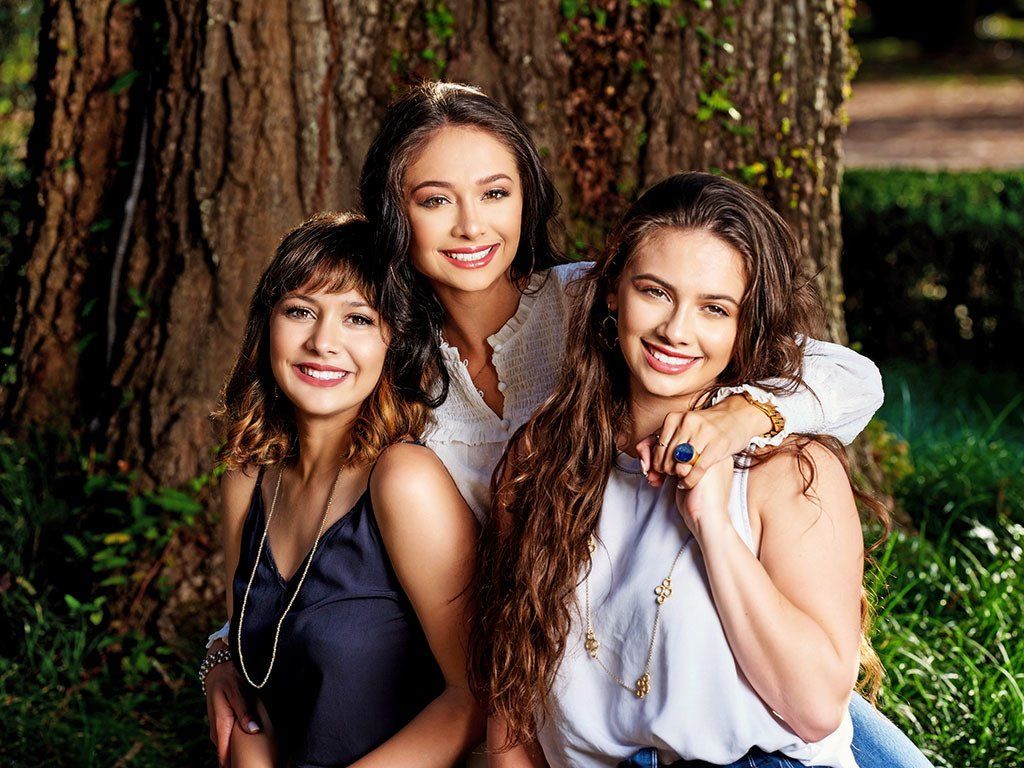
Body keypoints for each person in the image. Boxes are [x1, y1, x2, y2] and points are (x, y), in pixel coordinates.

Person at [205, 82, 930, 767]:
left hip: (703, 637)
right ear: (396, 215)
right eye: (435, 200)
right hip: (564, 664)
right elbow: (317, 512)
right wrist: (227, 647)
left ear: (527, 200)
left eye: (496, 193)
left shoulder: (597, 299)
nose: (470, 225)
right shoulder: (386, 363)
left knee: (821, 728)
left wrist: (744, 414)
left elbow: (850, 376)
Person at [472, 172, 908, 767]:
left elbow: (814, 708)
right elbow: (510, 712)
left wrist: (713, 527)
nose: (677, 330)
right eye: (654, 291)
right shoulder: (539, 462)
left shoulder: (789, 469)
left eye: (714, 308)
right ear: (611, 293)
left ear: (743, 325)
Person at [203, 212, 483, 767]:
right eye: (301, 311)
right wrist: (218, 668)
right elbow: (251, 670)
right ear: (268, 325)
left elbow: (477, 697)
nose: (323, 342)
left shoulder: (405, 481)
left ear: (392, 342)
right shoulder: (246, 479)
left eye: (357, 318)